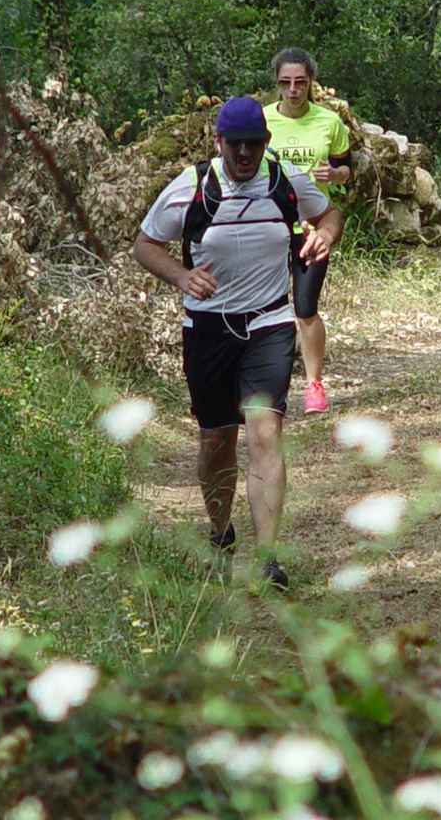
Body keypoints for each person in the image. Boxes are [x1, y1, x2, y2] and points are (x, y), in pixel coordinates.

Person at [132, 96, 343, 590]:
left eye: (254, 144)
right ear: (218, 142)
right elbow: (144, 245)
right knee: (217, 440)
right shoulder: (191, 187)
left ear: (266, 142)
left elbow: (328, 213)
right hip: (207, 329)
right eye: (236, 145)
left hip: (269, 324)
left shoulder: (284, 178)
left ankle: (268, 557)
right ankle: (220, 531)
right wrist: (182, 277)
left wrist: (325, 235)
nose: (245, 154)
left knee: (264, 433)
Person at [262, 47, 354, 414]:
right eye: (286, 83)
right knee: (264, 309)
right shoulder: (262, 121)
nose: (293, 90)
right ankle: (263, 386)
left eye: (300, 82)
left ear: (311, 82)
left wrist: (333, 175)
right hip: (268, 225)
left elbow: (346, 169)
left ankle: (314, 384)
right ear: (277, 85)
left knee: (305, 307)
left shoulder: (329, 122)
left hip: (313, 226)